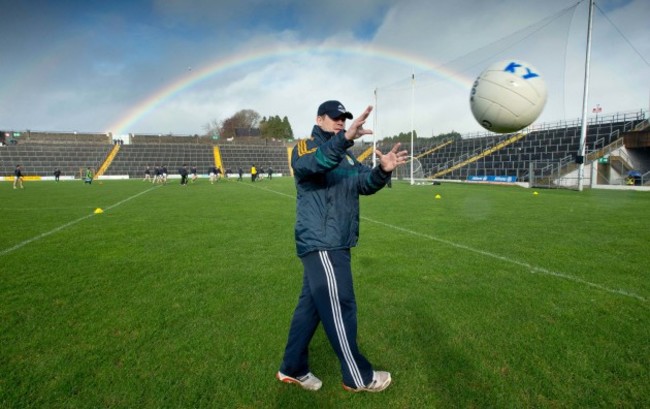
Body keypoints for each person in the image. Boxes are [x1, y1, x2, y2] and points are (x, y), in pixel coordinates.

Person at [277, 100, 408, 393]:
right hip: (323, 241)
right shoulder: (306, 147)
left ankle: (292, 368)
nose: (341, 122)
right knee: (340, 306)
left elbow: (364, 184)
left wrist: (383, 170)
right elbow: (314, 164)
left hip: (336, 240)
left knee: (309, 309)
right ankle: (358, 376)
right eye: (335, 118)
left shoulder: (347, 157)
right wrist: (344, 139)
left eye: (344, 119)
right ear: (319, 119)